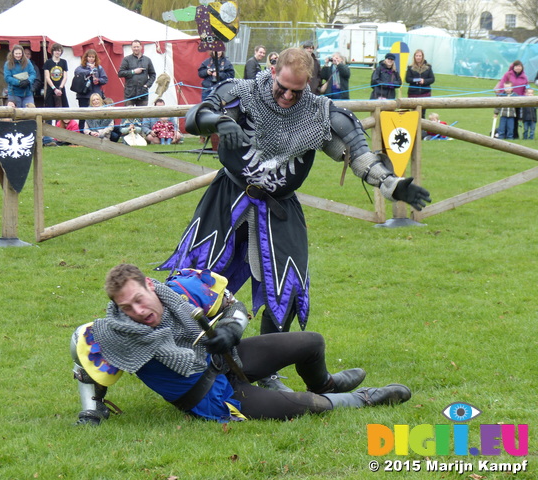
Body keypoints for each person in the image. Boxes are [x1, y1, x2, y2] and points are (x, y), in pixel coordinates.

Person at [157, 48, 431, 391]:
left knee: (286, 284)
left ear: (310, 85)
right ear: (273, 72)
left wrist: (393, 185)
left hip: (279, 206)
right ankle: (176, 352)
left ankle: (267, 371)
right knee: (198, 275)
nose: (287, 96)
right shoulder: (241, 92)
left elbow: (357, 154)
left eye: (297, 91)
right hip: (229, 196)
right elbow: (196, 117)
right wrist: (220, 121)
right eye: (282, 87)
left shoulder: (318, 114)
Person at [69, 264, 411, 425]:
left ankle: (326, 382)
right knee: (310, 406)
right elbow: (85, 363)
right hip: (213, 397)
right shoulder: (115, 332)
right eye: (127, 307)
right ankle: (363, 399)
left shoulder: (181, 289)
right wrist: (91, 411)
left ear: (149, 284)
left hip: (228, 358)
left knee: (312, 342)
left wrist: (232, 329)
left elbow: (234, 305)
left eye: (140, 300)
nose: (138, 312)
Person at [74, 49, 109, 131]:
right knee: (83, 115)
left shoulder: (99, 68)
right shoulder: (81, 67)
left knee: (96, 116)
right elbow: (77, 72)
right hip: (83, 95)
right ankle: (82, 134)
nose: (91, 59)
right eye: (89, 57)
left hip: (95, 95)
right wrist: (89, 71)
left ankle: (96, 132)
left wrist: (98, 80)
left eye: (93, 57)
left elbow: (105, 79)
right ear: (86, 58)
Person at [495, 60, 528, 140]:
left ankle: (513, 135)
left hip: (519, 100)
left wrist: (524, 98)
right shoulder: (508, 74)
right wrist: (501, 94)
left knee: (515, 119)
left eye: (519, 66)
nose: (518, 68)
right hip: (507, 98)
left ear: (522, 67)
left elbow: (526, 88)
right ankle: (502, 134)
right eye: (516, 66)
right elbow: (502, 83)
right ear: (513, 67)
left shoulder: (524, 77)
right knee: (504, 118)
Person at [118, 40, 156, 107]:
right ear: (131, 48)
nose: (136, 49)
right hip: (130, 93)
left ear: (141, 47)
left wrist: (147, 85)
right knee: (129, 115)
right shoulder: (126, 59)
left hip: (143, 93)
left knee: (142, 115)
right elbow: (120, 73)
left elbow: (153, 74)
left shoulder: (147, 60)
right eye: (134, 47)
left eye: (137, 47)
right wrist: (133, 72)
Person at [405, 49, 434, 118]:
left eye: (420, 56)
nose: (418, 57)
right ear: (414, 57)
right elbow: (408, 79)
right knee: (414, 113)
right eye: (417, 56)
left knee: (422, 113)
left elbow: (432, 79)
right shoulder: (410, 67)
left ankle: (422, 128)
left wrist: (424, 81)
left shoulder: (428, 67)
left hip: (425, 93)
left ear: (422, 57)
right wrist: (416, 80)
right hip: (413, 93)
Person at [43, 43, 69, 108]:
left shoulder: (64, 62)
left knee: (64, 107)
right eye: (55, 50)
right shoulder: (48, 62)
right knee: (49, 108)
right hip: (51, 88)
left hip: (61, 88)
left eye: (59, 51)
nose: (57, 52)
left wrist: (60, 88)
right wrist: (54, 89)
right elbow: (47, 77)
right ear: (52, 52)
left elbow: (65, 77)